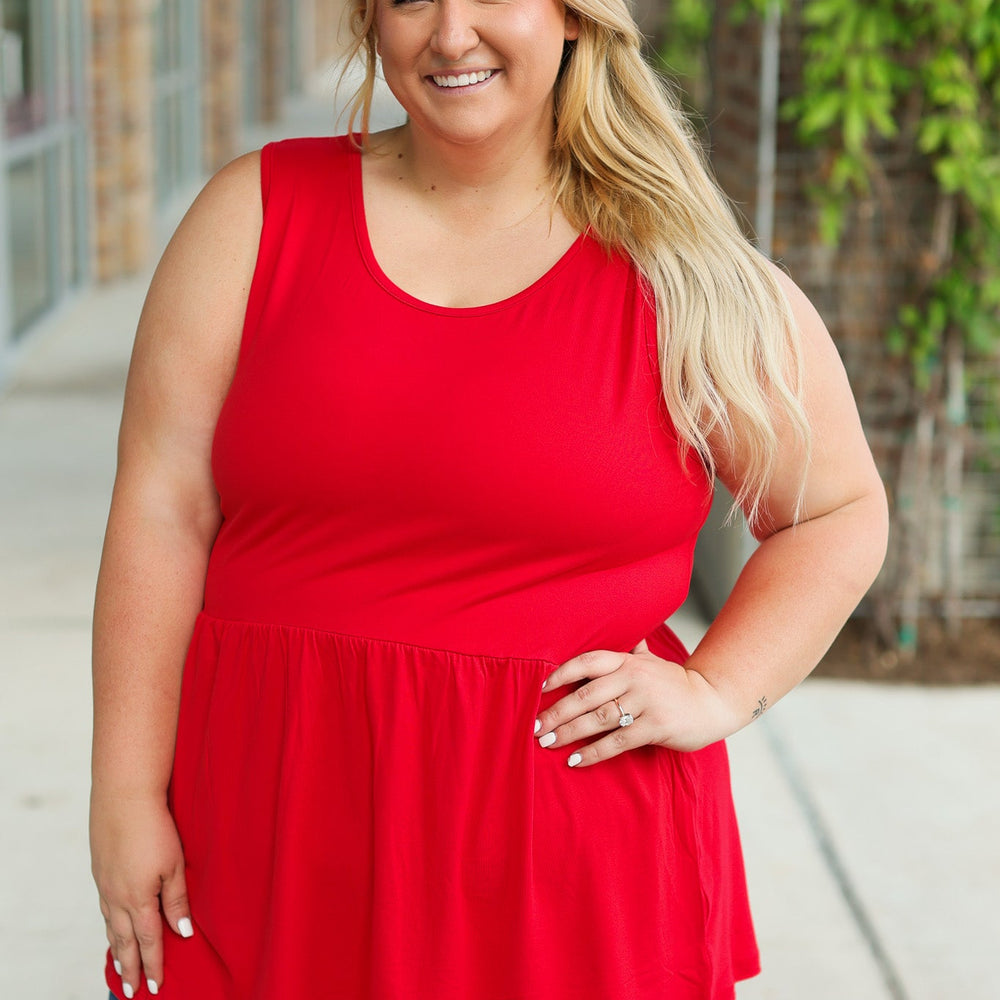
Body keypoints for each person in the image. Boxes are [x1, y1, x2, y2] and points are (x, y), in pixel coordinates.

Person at [89, 0, 888, 995]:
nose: (450, 32)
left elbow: (836, 512)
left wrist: (717, 687)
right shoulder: (255, 214)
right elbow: (164, 508)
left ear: (574, 16)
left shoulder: (683, 273)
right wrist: (123, 789)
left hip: (567, 864)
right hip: (271, 827)